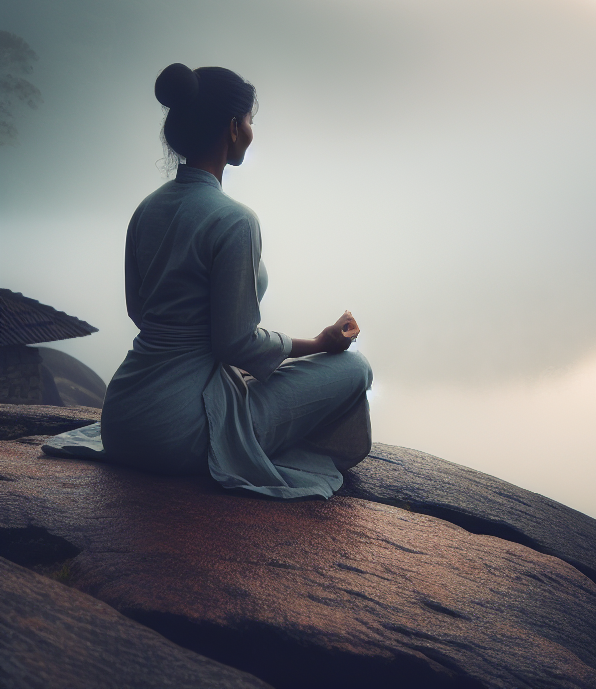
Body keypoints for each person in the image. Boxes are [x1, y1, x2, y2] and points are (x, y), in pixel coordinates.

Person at [47, 64, 373, 500]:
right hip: (179, 434)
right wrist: (320, 343)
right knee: (355, 369)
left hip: (122, 419)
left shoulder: (147, 209)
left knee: (257, 375)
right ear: (233, 128)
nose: (251, 131)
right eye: (250, 121)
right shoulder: (235, 220)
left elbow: (139, 311)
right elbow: (234, 345)